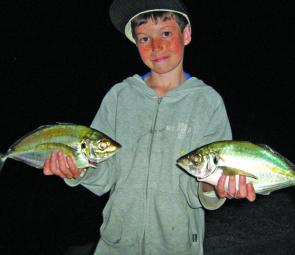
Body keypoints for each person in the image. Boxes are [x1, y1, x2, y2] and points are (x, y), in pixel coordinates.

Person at [43, 0, 256, 254]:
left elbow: (202, 192)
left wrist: (212, 185)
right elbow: (105, 176)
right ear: (136, 43)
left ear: (186, 34)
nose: (156, 46)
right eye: (144, 39)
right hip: (115, 246)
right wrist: (77, 171)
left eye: (166, 33)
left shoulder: (207, 102)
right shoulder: (119, 96)